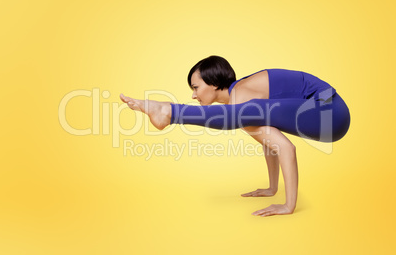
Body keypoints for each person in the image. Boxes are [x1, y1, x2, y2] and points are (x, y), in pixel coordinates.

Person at [120, 55, 351, 217]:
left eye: (196, 87)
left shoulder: (242, 96)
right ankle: (168, 112)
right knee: (248, 115)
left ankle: (169, 111)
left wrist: (288, 205)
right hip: (324, 113)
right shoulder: (242, 103)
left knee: (245, 113)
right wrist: (272, 188)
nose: (193, 94)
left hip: (330, 112)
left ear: (213, 83)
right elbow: (270, 143)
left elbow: (286, 149)